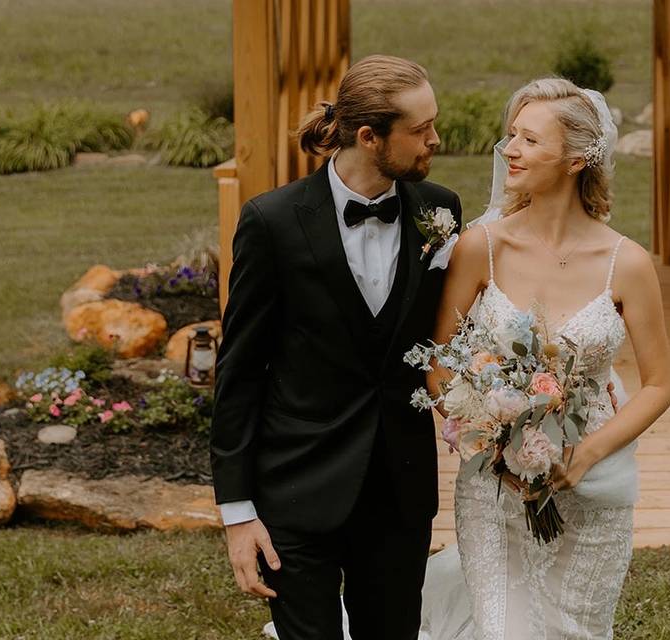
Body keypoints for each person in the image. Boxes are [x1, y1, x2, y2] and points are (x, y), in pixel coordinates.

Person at [209, 54, 462, 640]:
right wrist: (237, 514)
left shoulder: (440, 211)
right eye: (421, 130)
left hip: (399, 494)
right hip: (297, 492)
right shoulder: (272, 222)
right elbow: (239, 372)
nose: (436, 139)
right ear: (370, 137)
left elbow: (448, 337)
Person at [424, 77, 670, 639]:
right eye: (511, 136)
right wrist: (492, 439)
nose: (509, 149)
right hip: (493, 487)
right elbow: (437, 363)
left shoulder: (626, 263)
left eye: (530, 140)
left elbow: (660, 384)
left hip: (593, 487)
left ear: (577, 159)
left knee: (575, 631)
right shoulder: (481, 246)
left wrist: (584, 456)